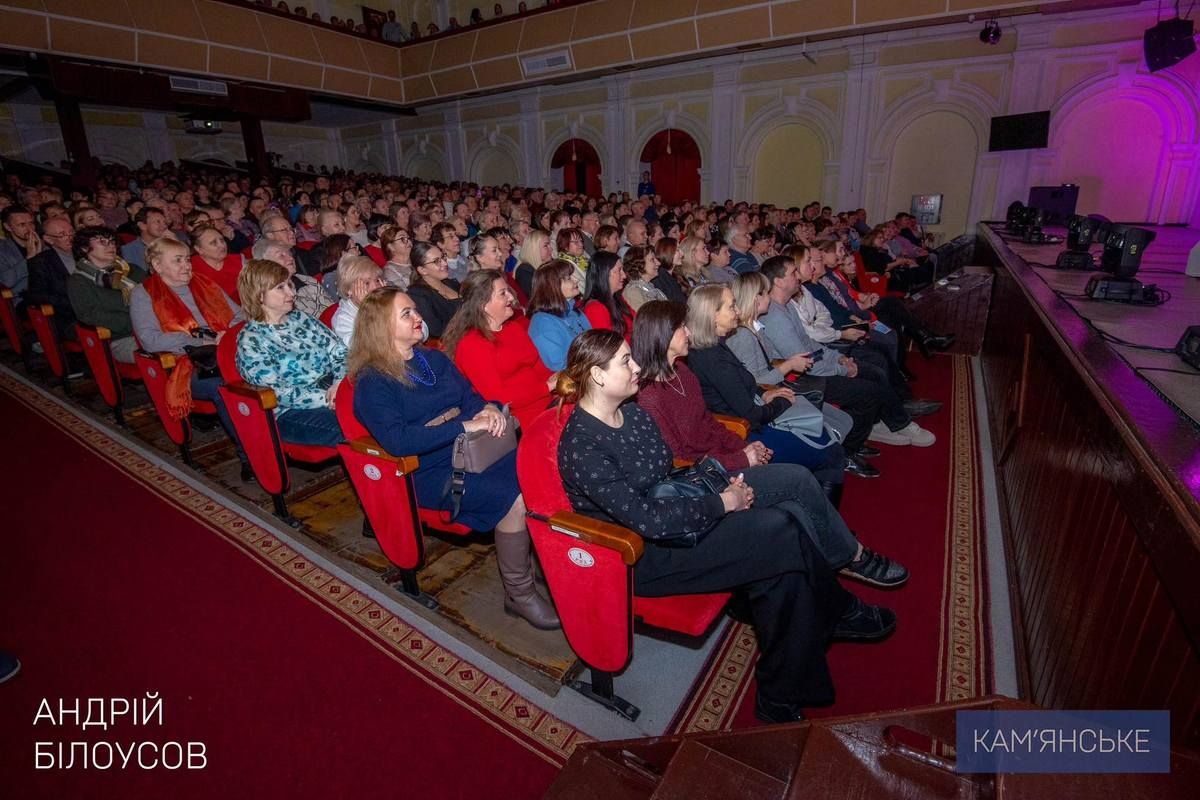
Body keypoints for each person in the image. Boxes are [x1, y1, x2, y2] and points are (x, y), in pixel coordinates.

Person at [556, 329, 896, 723]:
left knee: (782, 562)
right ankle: (833, 615)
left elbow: (671, 477)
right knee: (781, 529)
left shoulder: (631, 413)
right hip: (644, 553)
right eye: (625, 362)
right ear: (597, 376)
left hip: (680, 517)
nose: (637, 368)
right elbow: (645, 518)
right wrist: (722, 503)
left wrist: (720, 482)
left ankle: (781, 691)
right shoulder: (582, 445)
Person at [632, 301, 906, 585]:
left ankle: (835, 549)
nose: (689, 332)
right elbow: (679, 462)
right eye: (681, 328)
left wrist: (745, 445)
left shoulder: (682, 372)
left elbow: (710, 423)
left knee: (796, 508)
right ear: (662, 334)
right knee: (797, 479)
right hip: (703, 480)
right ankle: (853, 556)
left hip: (722, 460)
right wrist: (742, 459)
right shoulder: (649, 397)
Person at [350, 288, 559, 630]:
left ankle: (536, 568)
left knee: (540, 472)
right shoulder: (373, 382)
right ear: (380, 327)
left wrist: (488, 410)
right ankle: (519, 595)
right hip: (427, 469)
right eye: (406, 314)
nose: (418, 317)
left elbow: (471, 397)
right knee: (517, 496)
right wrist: (463, 423)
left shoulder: (432, 359)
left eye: (415, 310)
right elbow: (399, 441)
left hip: (473, 451)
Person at [757, 255, 935, 450]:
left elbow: (809, 343)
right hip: (801, 378)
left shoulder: (787, 305)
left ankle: (891, 423)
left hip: (814, 367)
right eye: (793, 273)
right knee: (868, 388)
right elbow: (804, 361)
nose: (798, 276)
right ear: (779, 281)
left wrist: (839, 358)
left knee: (875, 371)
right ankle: (853, 447)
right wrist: (843, 369)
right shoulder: (775, 317)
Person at [684, 286, 849, 488]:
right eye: (731, 306)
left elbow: (744, 382)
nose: (738, 310)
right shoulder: (714, 358)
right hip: (743, 433)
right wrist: (783, 401)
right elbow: (752, 415)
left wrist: (766, 391)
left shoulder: (714, 346)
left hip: (747, 420)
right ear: (713, 316)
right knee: (832, 453)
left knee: (822, 433)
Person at [130, 237, 251, 478]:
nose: (187, 265)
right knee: (224, 386)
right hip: (185, 364)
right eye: (178, 260)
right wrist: (199, 342)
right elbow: (150, 340)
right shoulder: (144, 293)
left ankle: (275, 433)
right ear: (157, 264)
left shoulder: (203, 282)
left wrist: (226, 334)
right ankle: (250, 454)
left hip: (224, 348)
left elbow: (240, 315)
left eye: (187, 259)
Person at [236, 259, 347, 447]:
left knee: (385, 405)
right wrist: (330, 397)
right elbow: (279, 393)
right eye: (280, 288)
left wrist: (339, 383)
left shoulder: (301, 318)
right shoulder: (251, 340)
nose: (291, 292)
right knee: (359, 425)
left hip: (334, 389)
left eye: (289, 285)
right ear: (259, 295)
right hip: (293, 411)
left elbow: (339, 352)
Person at [443, 270, 553, 431]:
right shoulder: (471, 344)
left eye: (508, 290)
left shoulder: (514, 327)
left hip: (546, 402)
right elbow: (498, 398)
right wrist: (546, 388)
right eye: (503, 293)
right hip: (517, 419)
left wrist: (558, 380)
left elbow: (539, 367)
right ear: (483, 304)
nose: (511, 297)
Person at [67, 226, 147, 363]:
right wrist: (136, 320)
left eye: (112, 242)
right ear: (85, 248)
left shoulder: (133, 270)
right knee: (166, 352)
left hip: (153, 329)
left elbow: (156, 296)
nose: (110, 246)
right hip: (121, 338)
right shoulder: (79, 281)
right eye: (102, 242)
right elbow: (90, 314)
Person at [527, 258, 591, 371]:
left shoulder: (574, 311)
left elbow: (593, 339)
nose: (576, 280)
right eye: (568, 278)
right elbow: (559, 366)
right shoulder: (542, 323)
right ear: (553, 286)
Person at [251, 238, 334, 319]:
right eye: (281, 256)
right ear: (265, 264)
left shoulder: (307, 280)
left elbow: (332, 309)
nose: (291, 258)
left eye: (289, 254)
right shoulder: (269, 296)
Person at [26, 216, 77, 336]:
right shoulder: (42, 261)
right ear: (49, 239)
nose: (70, 238)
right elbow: (37, 295)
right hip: (67, 316)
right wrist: (73, 302)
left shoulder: (87, 253)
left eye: (71, 233)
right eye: (62, 235)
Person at [407, 241, 461, 339]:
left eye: (443, 257)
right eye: (437, 261)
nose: (445, 263)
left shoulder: (451, 283)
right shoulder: (418, 295)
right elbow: (437, 331)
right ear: (422, 270)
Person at [331, 256, 386, 346]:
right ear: (348, 289)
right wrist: (367, 309)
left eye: (377, 280)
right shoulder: (342, 320)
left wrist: (390, 302)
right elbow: (365, 349)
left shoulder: (384, 302)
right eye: (366, 283)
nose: (375, 287)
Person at [579, 251, 632, 338]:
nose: (624, 275)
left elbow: (637, 321)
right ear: (605, 274)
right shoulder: (594, 308)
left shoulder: (617, 297)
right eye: (619, 270)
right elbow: (607, 345)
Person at [190, 225, 244, 301]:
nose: (222, 245)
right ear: (199, 249)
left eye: (222, 240)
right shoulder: (190, 270)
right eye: (213, 243)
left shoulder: (239, 260)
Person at [620, 246, 668, 313]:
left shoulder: (650, 287)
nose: (658, 263)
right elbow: (645, 320)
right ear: (639, 264)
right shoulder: (632, 291)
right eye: (652, 260)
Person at [512, 228, 550, 301]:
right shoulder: (525, 272)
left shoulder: (546, 265)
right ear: (534, 249)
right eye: (546, 246)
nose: (551, 249)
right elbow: (537, 301)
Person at [379, 224, 414, 289]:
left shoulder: (416, 261)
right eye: (402, 239)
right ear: (391, 246)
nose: (409, 241)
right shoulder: (390, 271)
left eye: (409, 238)